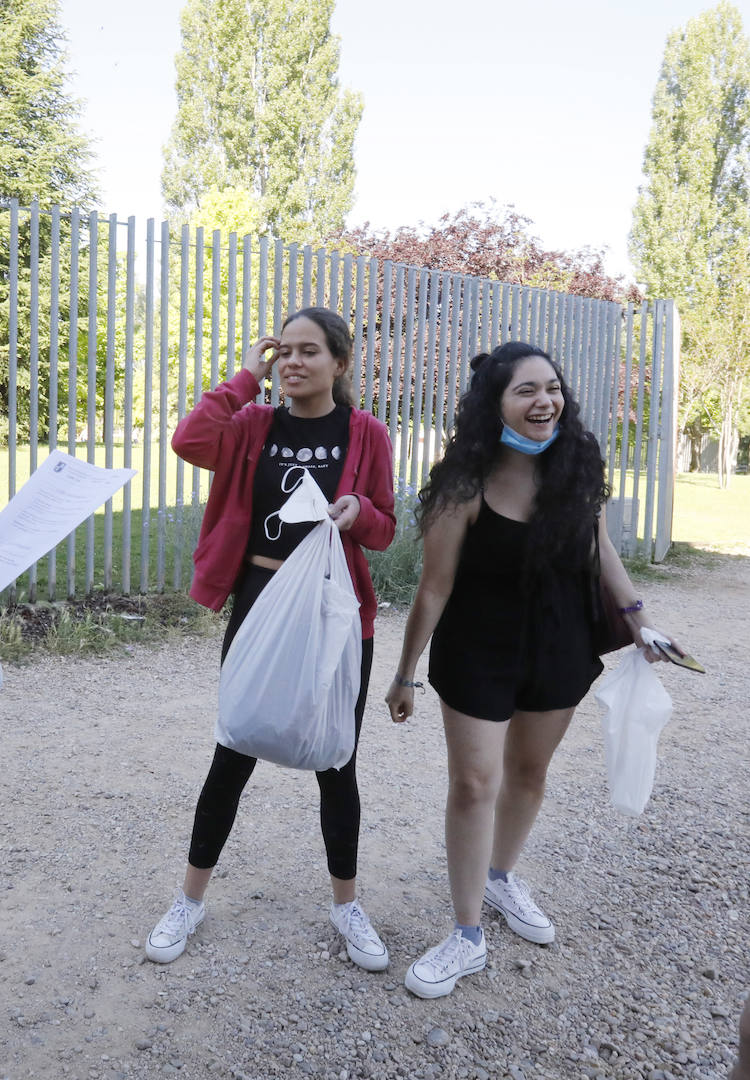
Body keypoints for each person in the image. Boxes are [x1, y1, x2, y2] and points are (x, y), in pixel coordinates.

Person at [385, 342, 683, 1000]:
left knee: (529, 772)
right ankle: (466, 936)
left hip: (558, 639)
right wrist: (405, 672)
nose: (544, 400)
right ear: (493, 403)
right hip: (477, 647)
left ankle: (500, 875)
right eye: (525, 390)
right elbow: (433, 588)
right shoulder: (463, 483)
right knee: (472, 784)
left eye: (551, 387)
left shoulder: (577, 466)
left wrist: (639, 618)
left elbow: (599, 546)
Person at [144, 307, 397, 970]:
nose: (292, 361)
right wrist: (244, 377)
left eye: (308, 351)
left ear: (340, 363)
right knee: (233, 750)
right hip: (259, 601)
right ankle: (189, 899)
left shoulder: (366, 432)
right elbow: (190, 440)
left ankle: (347, 905)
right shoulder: (254, 423)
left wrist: (357, 511)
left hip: (334, 610)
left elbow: (386, 526)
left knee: (336, 760)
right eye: (282, 350)